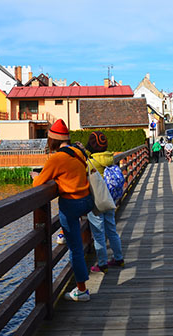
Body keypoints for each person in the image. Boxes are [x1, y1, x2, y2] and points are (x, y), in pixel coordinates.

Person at [31, 119, 94, 302]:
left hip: (72, 204)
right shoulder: (77, 151)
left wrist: (35, 175)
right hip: (87, 200)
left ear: (53, 140)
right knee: (72, 233)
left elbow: (38, 182)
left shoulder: (57, 158)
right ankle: (63, 233)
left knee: (75, 249)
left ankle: (81, 290)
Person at [84, 131, 125, 274]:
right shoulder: (110, 158)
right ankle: (119, 258)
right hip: (110, 200)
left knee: (99, 233)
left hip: (96, 201)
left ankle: (102, 264)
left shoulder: (91, 162)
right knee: (112, 230)